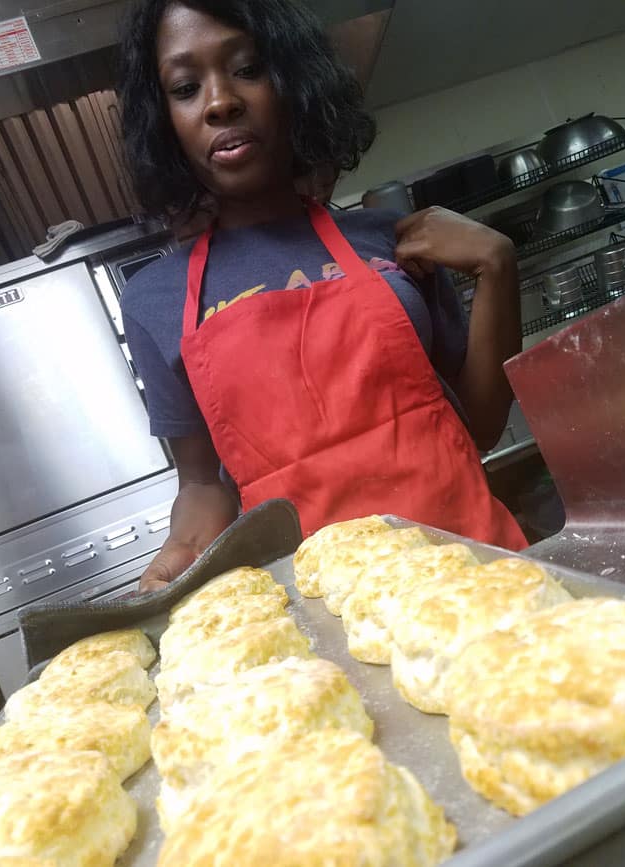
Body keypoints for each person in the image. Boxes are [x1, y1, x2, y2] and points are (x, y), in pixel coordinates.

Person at [118, 0, 527, 593]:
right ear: (164, 122)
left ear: (294, 84)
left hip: (474, 575)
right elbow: (203, 484)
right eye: (185, 87)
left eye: (248, 69)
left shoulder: (398, 241)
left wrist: (498, 265)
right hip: (329, 616)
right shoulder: (154, 300)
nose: (219, 102)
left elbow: (480, 427)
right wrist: (175, 558)